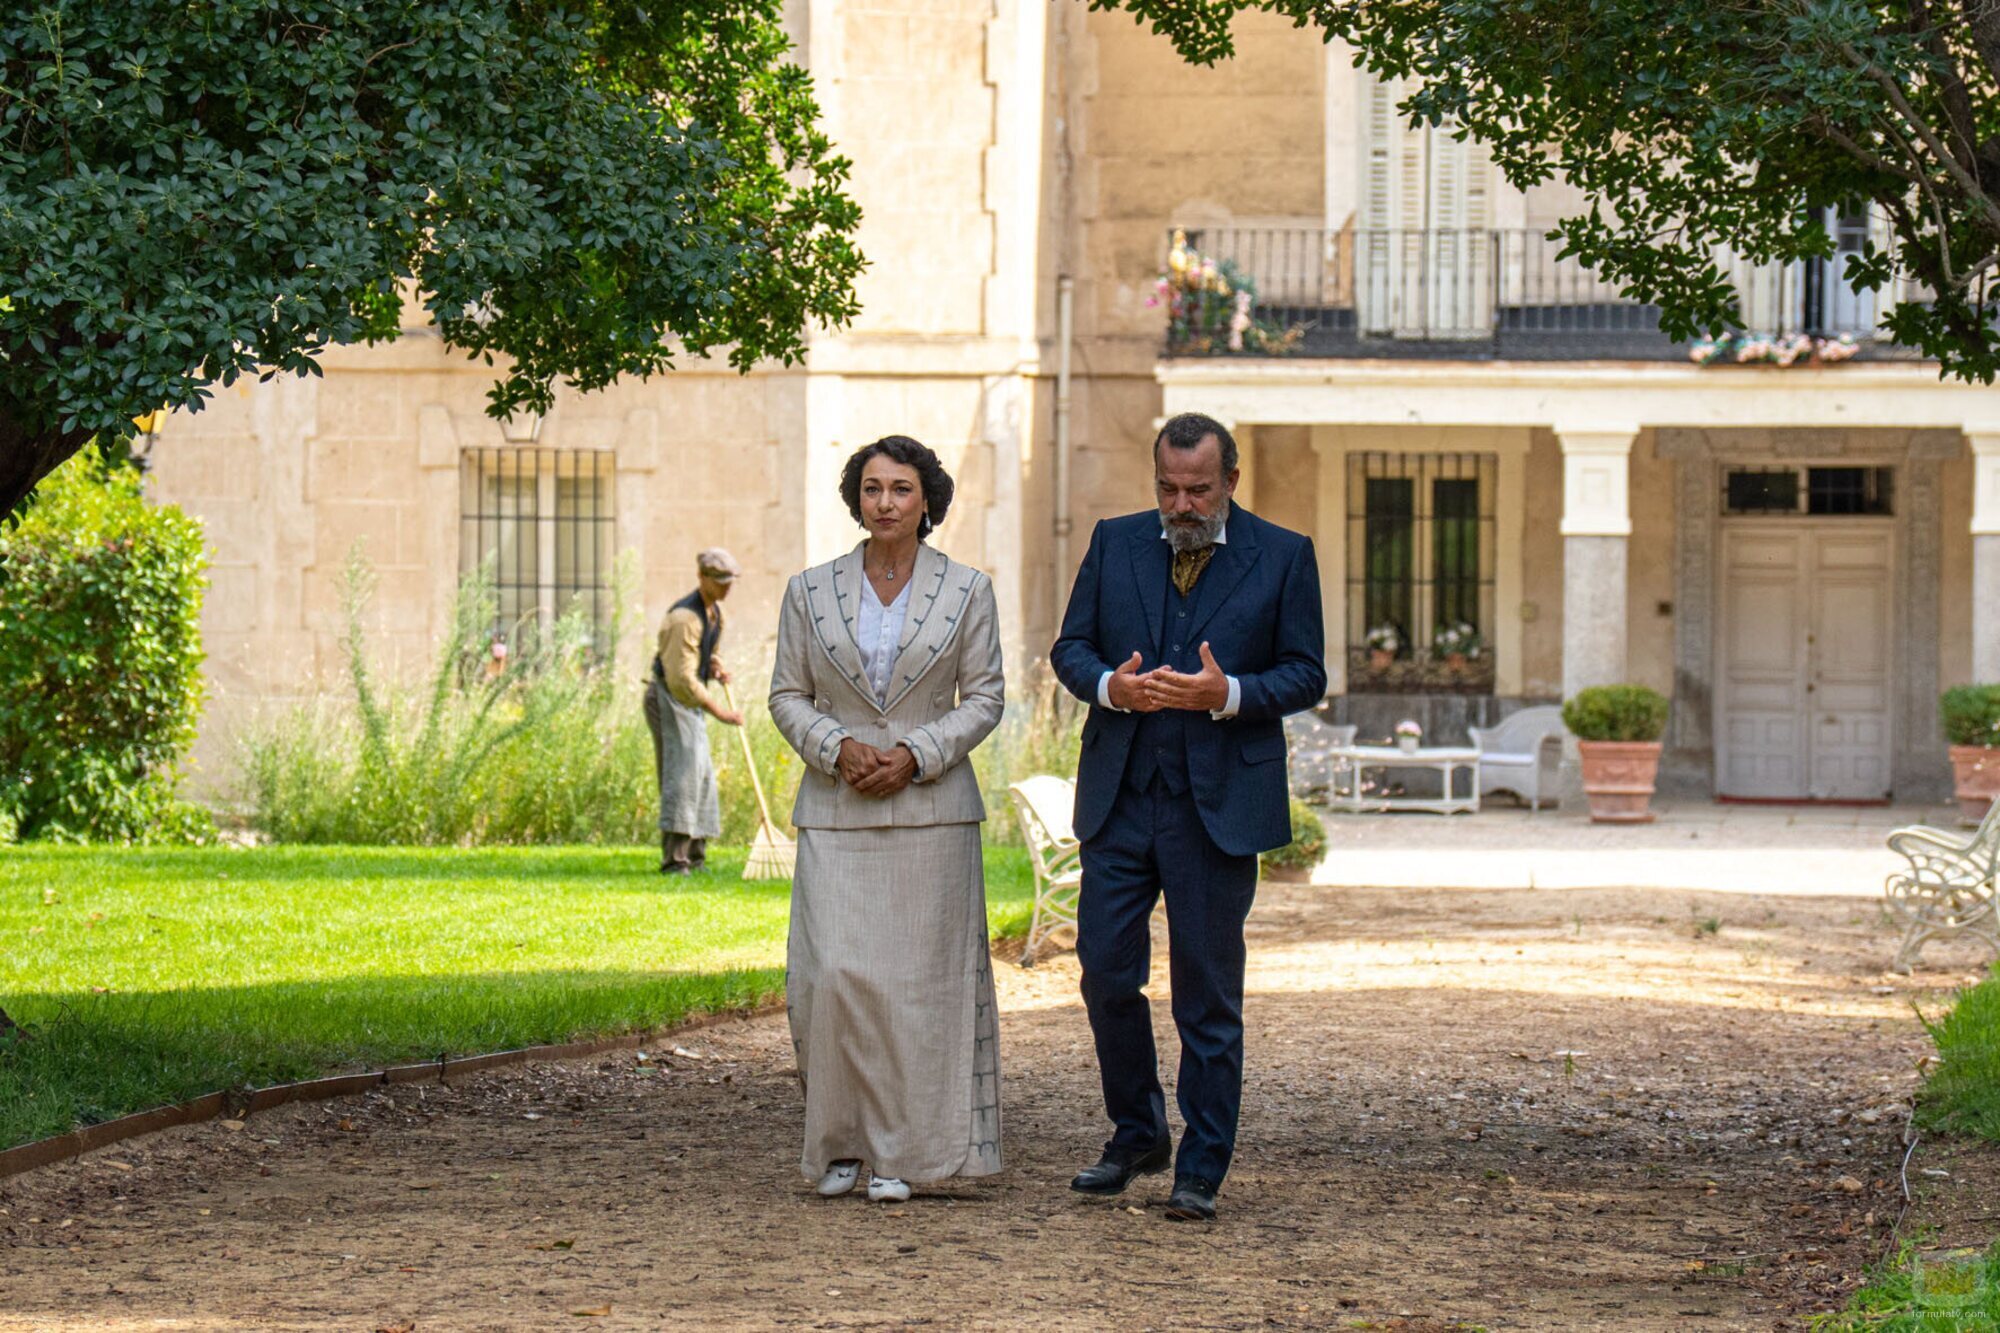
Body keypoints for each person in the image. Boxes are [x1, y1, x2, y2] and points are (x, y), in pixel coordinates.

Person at [1050, 411, 1327, 1222]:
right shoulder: (1112, 540)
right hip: (1121, 798)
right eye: (1168, 487)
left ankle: (1201, 1166)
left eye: (1197, 489)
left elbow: (1307, 673)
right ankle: (1138, 1132)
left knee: (1205, 993)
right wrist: (1111, 686)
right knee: (1105, 972)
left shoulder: (1284, 555)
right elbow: (1072, 649)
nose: (1181, 503)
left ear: (1231, 482)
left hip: (1217, 809)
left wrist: (1228, 694)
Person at [768, 435, 1006, 1203]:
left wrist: (917, 752)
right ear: (856, 499)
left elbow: (988, 696)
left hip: (931, 814)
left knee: (918, 991)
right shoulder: (809, 590)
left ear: (926, 500)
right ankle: (839, 1143)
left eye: (901, 489)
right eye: (872, 488)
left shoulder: (968, 589)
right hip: (837, 812)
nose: (885, 502)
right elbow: (785, 695)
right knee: (828, 978)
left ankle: (905, 1151)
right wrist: (836, 749)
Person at [645, 547, 744, 875]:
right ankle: (675, 861)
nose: (727, 588)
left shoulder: (716, 613)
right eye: (720, 581)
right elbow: (682, 679)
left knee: (701, 775)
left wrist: (715, 667)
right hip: (669, 699)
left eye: (730, 581)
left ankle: (696, 858)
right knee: (681, 775)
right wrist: (721, 712)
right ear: (702, 578)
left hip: (688, 701)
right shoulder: (684, 619)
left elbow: (704, 655)